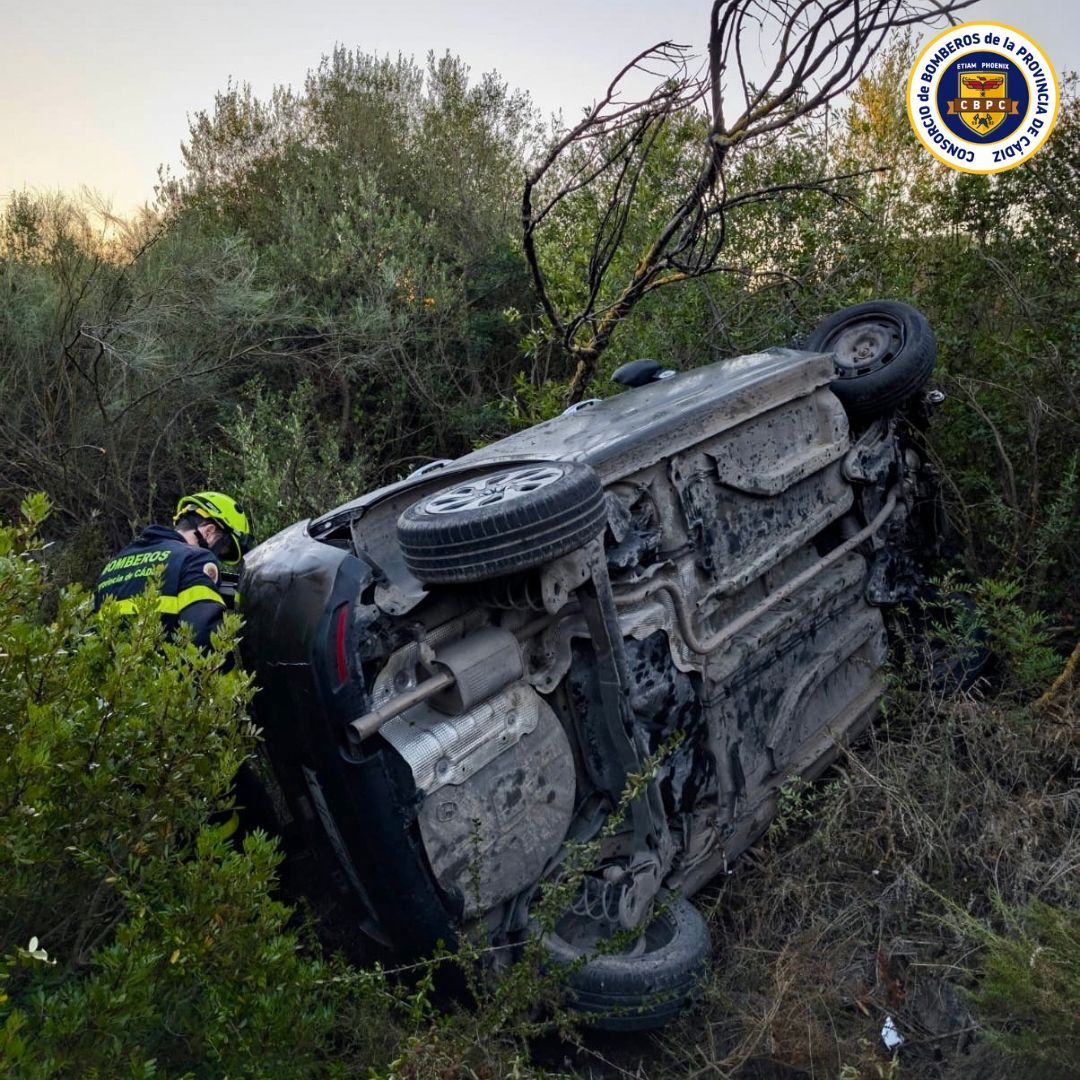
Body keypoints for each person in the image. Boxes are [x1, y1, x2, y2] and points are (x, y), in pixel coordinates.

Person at [94, 491, 254, 648]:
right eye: (219, 551)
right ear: (208, 532)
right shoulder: (195, 559)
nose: (215, 558)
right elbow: (202, 635)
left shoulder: (113, 565)